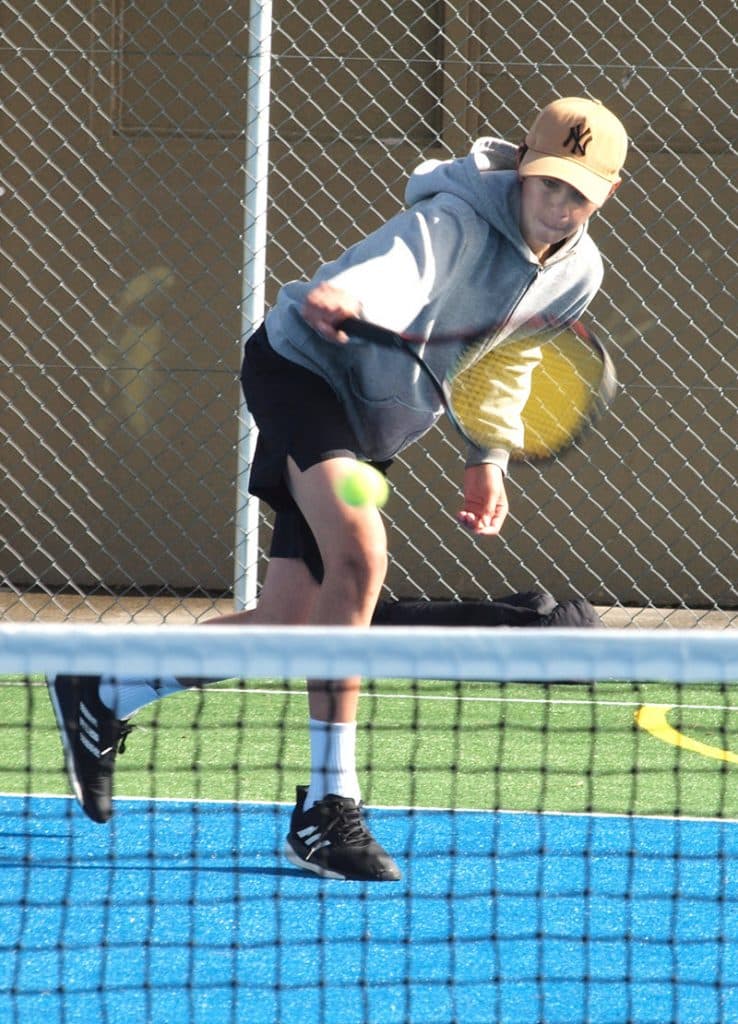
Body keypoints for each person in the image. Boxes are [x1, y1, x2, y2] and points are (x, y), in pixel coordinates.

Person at [48, 96, 627, 882]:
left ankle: (104, 687)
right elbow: (402, 263)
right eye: (548, 183)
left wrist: (487, 454)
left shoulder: (577, 276)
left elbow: (510, 361)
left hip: (372, 422)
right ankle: (329, 806)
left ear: (605, 195)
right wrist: (351, 297)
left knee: (292, 620)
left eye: (578, 194)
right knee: (360, 555)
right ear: (524, 167)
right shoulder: (456, 218)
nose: (558, 205)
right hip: (303, 370)